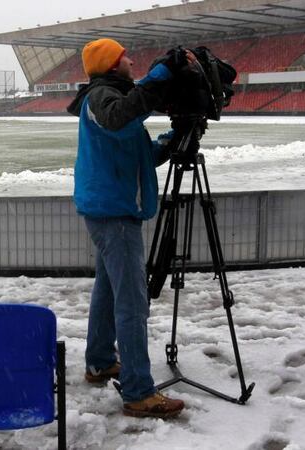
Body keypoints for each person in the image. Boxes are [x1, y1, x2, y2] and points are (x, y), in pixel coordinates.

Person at [66, 38, 189, 419]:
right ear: (110, 64)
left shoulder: (112, 98)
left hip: (112, 209)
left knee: (108, 290)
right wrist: (160, 75)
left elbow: (138, 154)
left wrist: (169, 143)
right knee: (133, 303)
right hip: (114, 214)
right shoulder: (103, 97)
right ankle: (138, 392)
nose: (132, 61)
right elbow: (120, 117)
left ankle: (101, 361)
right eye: (125, 57)